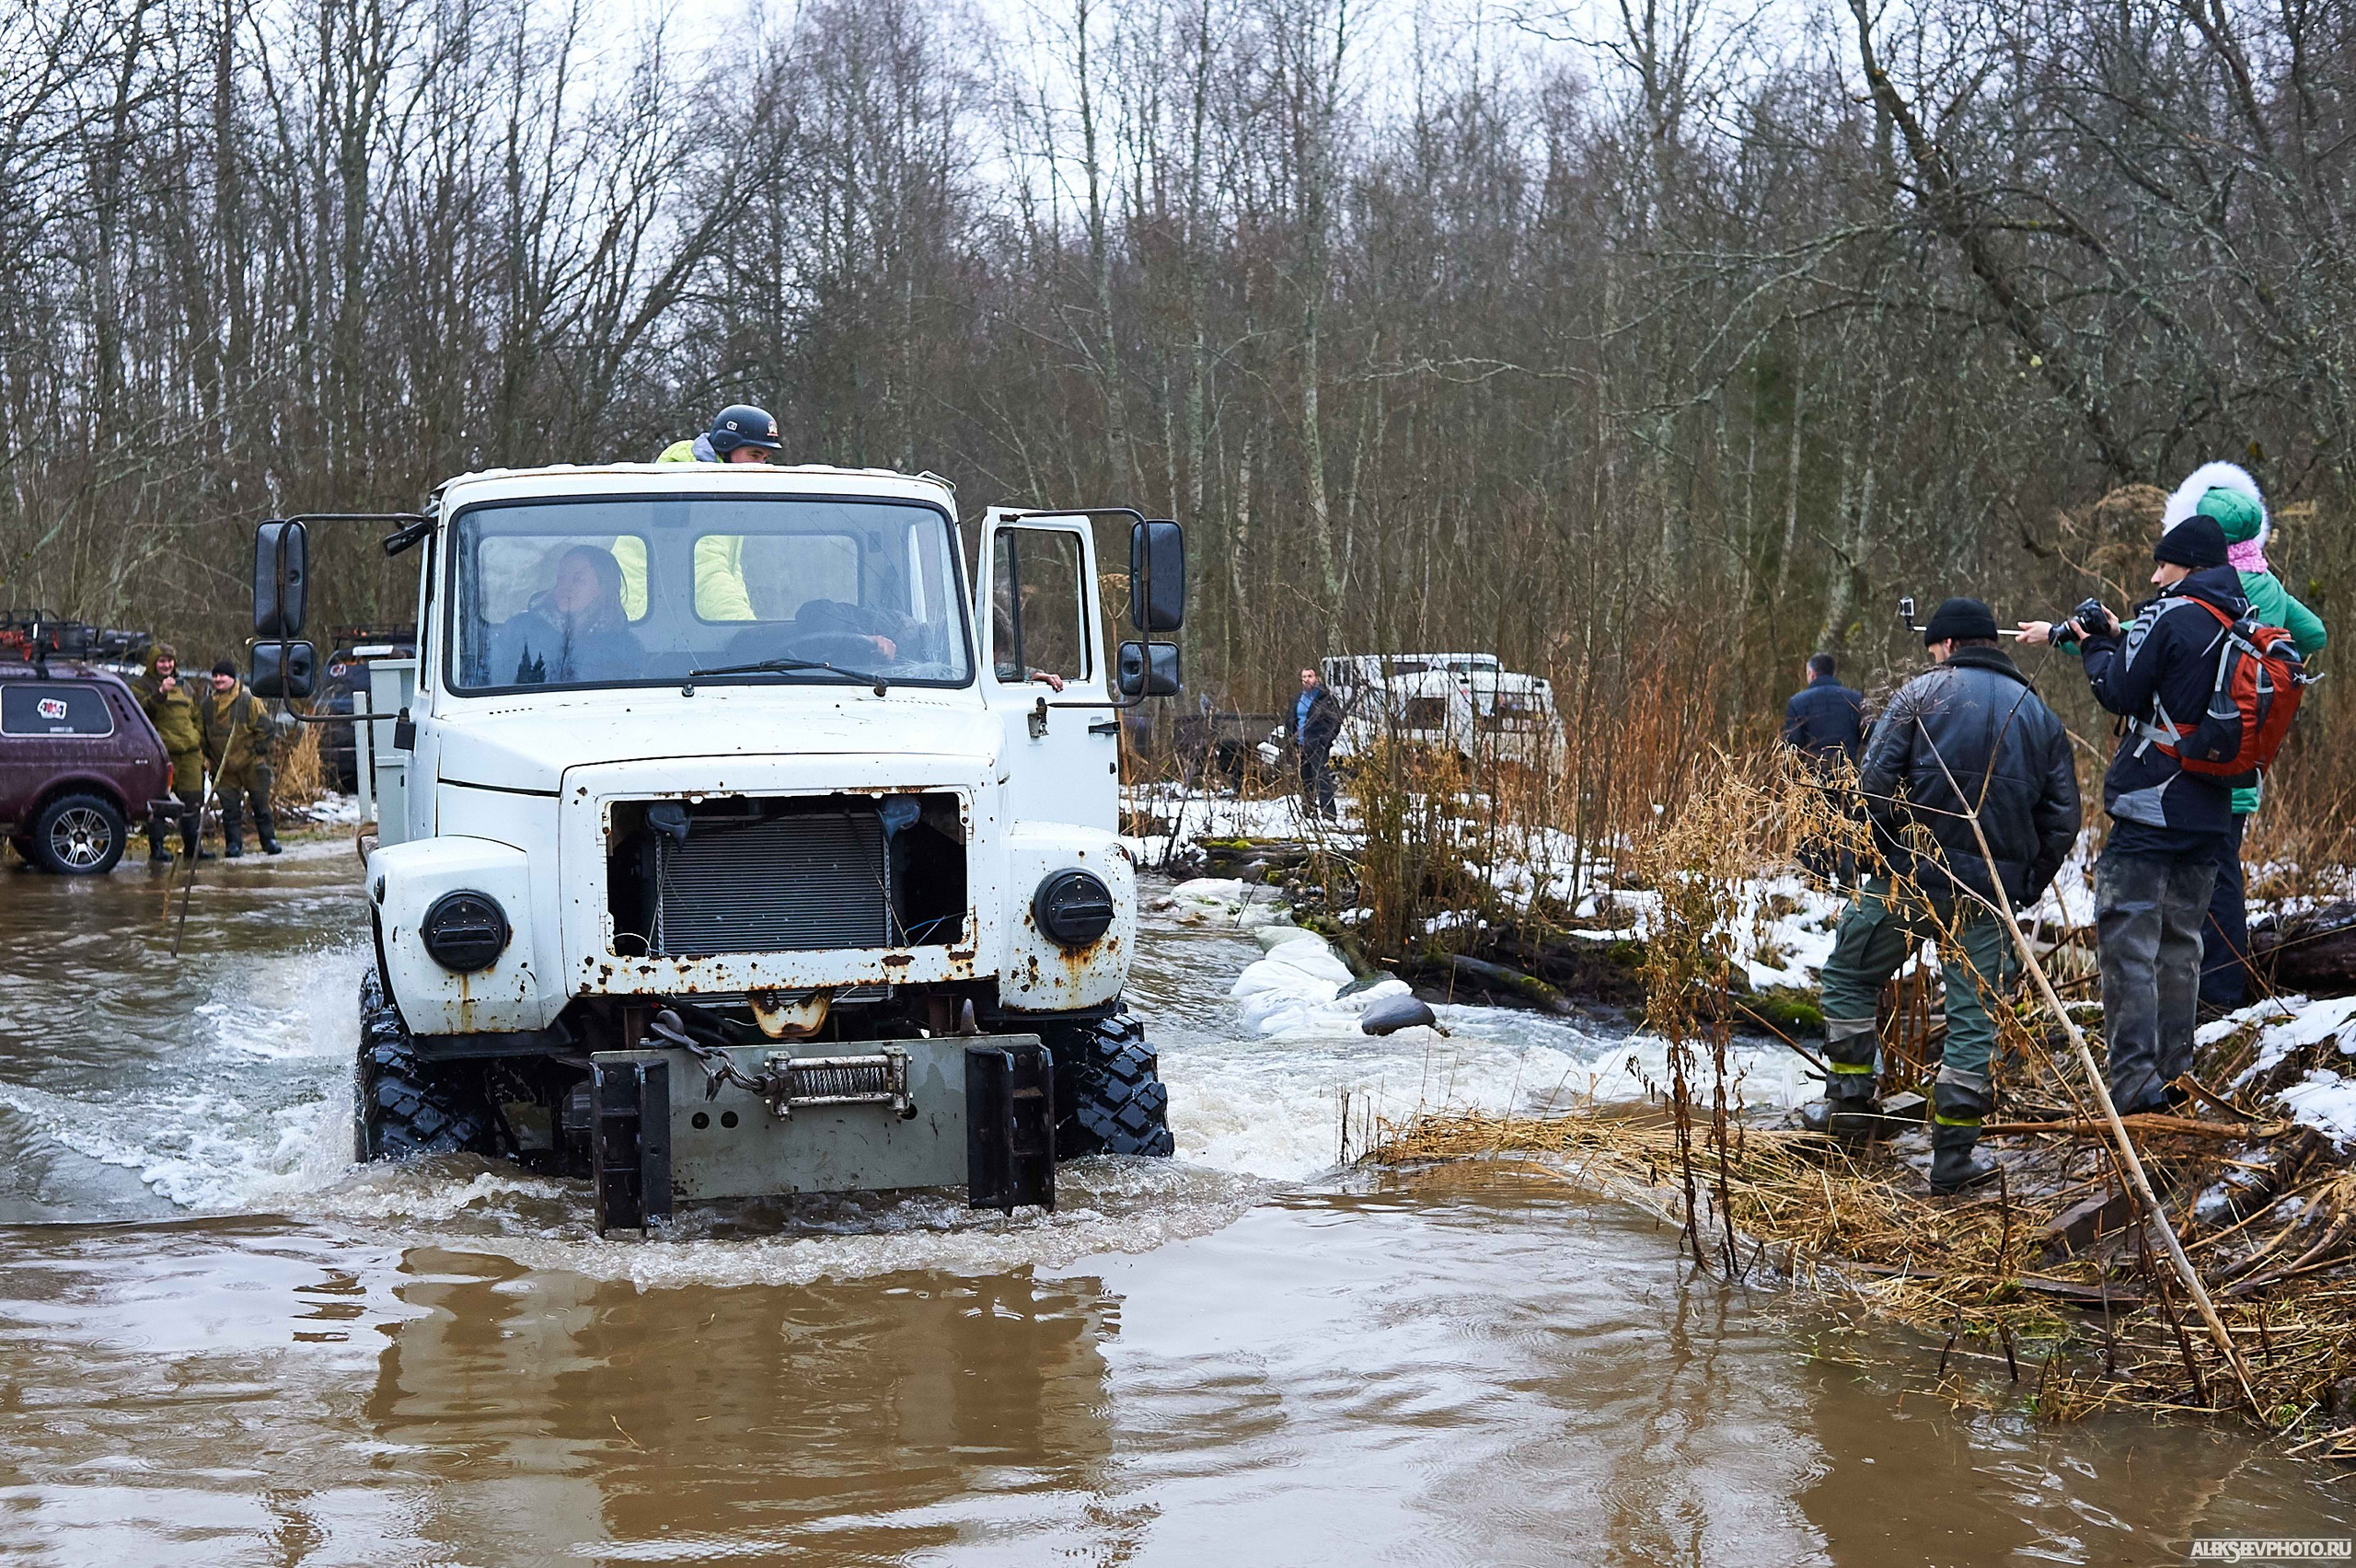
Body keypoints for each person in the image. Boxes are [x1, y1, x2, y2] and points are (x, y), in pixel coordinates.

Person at [1806, 597, 2080, 1193]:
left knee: (1850, 976)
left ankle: (1851, 1108)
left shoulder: (1918, 695)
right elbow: (2062, 823)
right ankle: (1953, 1158)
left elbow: (1873, 789)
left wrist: (1883, 859)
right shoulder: (2040, 716)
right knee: (1972, 1020)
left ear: (1950, 644)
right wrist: (2022, 886)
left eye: (1934, 647)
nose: (1932, 657)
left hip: (1908, 880)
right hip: (1990, 895)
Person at [2019, 513, 2246, 1114]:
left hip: (2151, 804)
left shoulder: (2169, 613)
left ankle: (2132, 1085)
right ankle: (2176, 1077)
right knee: (2181, 943)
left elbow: (2118, 690)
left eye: (2163, 564)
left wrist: (2095, 643)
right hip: (2210, 808)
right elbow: (2174, 680)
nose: (2155, 574)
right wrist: (2112, 637)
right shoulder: (2241, 619)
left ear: (2188, 566)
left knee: (2127, 944)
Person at [2154, 465, 2328, 1010]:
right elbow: (2315, 634)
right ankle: (2220, 987)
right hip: (2248, 754)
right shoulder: (2266, 585)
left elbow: (2146, 646)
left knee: (2211, 877)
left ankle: (2221, 994)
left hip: (2205, 753)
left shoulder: (2204, 591)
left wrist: (2075, 641)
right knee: (2221, 866)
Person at [614, 405, 783, 622]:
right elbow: (706, 572)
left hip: (668, 615)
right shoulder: (694, 488)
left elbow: (729, 570)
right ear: (726, 448)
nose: (760, 467)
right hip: (639, 618)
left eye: (765, 459)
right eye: (754, 455)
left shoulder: (725, 493)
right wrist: (749, 629)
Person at [485, 545, 645, 686]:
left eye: (578, 580)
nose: (565, 586)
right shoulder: (520, 628)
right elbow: (490, 678)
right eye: (561, 578)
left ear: (602, 589)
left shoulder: (624, 646)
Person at [133, 643, 211, 862]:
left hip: (189, 754)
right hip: (162, 755)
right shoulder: (141, 686)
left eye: (170, 660)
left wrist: (198, 739)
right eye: (162, 661)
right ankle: (157, 850)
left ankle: (193, 849)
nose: (167, 665)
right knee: (159, 803)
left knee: (193, 800)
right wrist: (160, 693)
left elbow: (196, 716)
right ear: (153, 663)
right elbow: (139, 714)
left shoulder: (185, 687)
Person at [201, 660, 280, 859]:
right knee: (230, 810)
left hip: (252, 764)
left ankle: (269, 840)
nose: (218, 679)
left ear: (232, 678)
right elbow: (201, 735)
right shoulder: (207, 705)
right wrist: (208, 758)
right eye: (215, 675)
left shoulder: (247, 700)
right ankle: (233, 845)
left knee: (261, 805)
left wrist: (255, 751)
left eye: (223, 675)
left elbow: (266, 728)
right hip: (224, 768)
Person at [1782, 652, 1864, 766]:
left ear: (1812, 674)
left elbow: (1792, 744)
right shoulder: (1855, 699)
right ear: (1833, 673)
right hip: (1847, 773)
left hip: (1811, 775)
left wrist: (1792, 777)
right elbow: (1868, 735)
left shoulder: (1797, 702)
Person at [1295, 667, 1342, 820]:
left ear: (1317, 678)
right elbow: (1291, 718)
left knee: (1322, 779)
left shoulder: (1326, 698)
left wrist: (1324, 740)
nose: (1307, 679)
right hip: (1301, 745)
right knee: (1305, 779)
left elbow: (1335, 722)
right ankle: (1308, 813)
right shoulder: (1298, 699)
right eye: (1304, 676)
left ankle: (1329, 815)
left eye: (1310, 676)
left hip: (1318, 745)